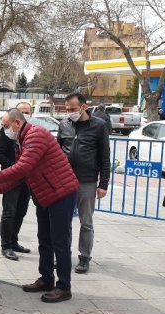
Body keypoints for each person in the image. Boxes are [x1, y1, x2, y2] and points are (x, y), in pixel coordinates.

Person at [0, 109, 79, 303]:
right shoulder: (21, 140)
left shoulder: (36, 135)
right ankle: (46, 279)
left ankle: (64, 287)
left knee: (60, 241)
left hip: (61, 193)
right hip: (45, 195)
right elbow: (22, 174)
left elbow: (24, 166)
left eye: (6, 125)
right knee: (44, 239)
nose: (4, 129)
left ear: (17, 123)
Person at [57, 93, 110, 274]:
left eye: (73, 109)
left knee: (86, 222)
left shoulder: (99, 126)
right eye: (67, 109)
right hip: (64, 180)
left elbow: (105, 157)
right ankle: (63, 256)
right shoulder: (64, 125)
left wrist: (103, 184)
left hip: (87, 182)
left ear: (84, 107)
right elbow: (57, 152)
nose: (69, 112)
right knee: (64, 222)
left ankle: (84, 257)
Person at [0, 102, 33, 261]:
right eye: (21, 111)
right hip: (11, 177)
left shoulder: (31, 131)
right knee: (9, 212)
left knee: (21, 210)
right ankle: (6, 246)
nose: (24, 114)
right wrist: (15, 167)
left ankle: (14, 241)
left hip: (26, 179)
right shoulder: (7, 131)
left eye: (27, 112)